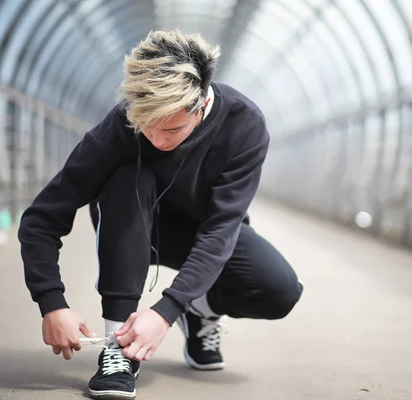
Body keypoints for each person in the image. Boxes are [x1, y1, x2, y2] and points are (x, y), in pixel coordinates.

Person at [18, 29, 303, 399]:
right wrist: (51, 303)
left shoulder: (244, 124)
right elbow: (42, 217)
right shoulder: (121, 125)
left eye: (171, 129)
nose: (157, 140)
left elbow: (221, 230)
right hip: (133, 224)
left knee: (279, 291)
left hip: (205, 229)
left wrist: (169, 309)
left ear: (201, 105)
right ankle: (118, 346)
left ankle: (200, 310)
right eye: (145, 126)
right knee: (125, 177)